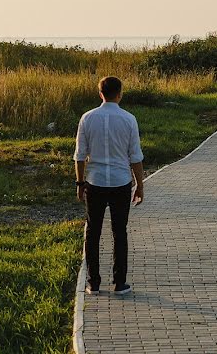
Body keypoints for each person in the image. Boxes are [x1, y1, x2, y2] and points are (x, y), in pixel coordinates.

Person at [74, 76, 145, 296]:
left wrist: (79, 183)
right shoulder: (129, 119)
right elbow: (135, 157)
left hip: (94, 182)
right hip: (120, 182)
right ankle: (119, 282)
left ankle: (93, 283)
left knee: (93, 232)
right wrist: (140, 186)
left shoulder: (87, 118)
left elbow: (79, 155)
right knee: (119, 233)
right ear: (120, 93)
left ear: (100, 93)